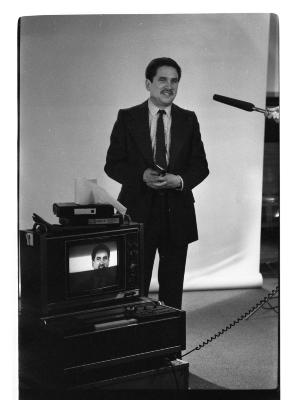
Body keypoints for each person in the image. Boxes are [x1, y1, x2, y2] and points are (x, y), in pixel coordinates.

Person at [104, 57, 209, 309]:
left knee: (172, 288)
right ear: (148, 83)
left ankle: (169, 346)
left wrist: (179, 180)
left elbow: (200, 166)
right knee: (135, 285)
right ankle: (137, 341)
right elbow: (113, 164)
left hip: (178, 213)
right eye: (162, 79)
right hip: (139, 211)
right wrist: (141, 176)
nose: (169, 86)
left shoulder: (189, 119)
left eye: (174, 81)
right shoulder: (127, 117)